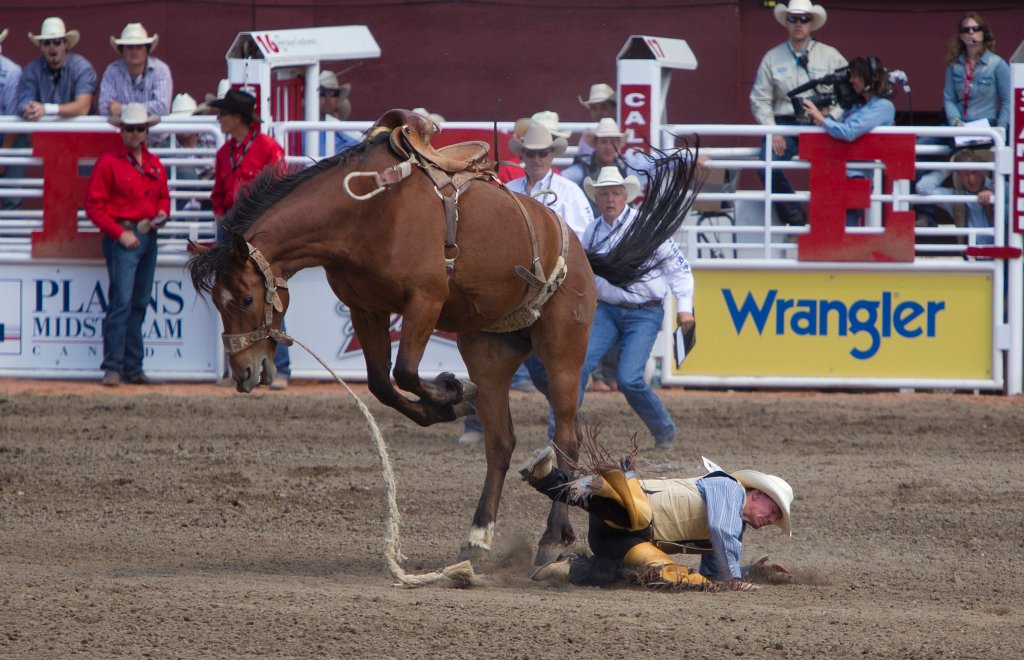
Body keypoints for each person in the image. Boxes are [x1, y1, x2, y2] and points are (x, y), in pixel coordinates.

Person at [519, 443, 794, 591]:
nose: (771, 519)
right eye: (773, 511)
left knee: (665, 575)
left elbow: (714, 573)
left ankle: (572, 568)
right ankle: (548, 477)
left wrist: (752, 571)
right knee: (629, 510)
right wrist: (735, 578)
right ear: (756, 494)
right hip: (629, 515)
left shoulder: (732, 532)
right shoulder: (730, 488)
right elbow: (721, 529)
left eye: (776, 517)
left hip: (622, 543)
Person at [577, 167, 694, 451]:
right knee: (577, 367)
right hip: (607, 310)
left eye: (616, 193)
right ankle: (559, 433)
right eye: (604, 193)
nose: (610, 199)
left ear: (625, 197)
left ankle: (664, 429)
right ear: (597, 198)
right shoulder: (591, 232)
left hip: (644, 311)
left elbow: (679, 269)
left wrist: (685, 308)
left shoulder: (647, 227)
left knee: (629, 379)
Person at [209, 88, 291, 389]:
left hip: (258, 234)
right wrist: (222, 214)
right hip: (232, 230)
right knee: (234, 299)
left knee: (268, 293)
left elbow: (279, 189)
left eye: (223, 114)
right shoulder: (225, 153)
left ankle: (279, 367)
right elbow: (218, 194)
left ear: (237, 118)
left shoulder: (268, 148)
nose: (219, 119)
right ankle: (241, 367)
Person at [84, 103, 170, 387]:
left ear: (145, 131)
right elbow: (94, 206)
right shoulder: (111, 162)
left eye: (139, 129)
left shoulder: (153, 163)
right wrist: (120, 233)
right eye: (130, 129)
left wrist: (162, 214)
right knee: (123, 303)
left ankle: (128, 367)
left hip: (144, 234)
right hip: (126, 236)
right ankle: (116, 367)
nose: (135, 134)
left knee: (137, 303)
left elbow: (163, 198)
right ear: (122, 131)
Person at [749, 0, 847, 226]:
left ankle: (831, 227)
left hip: (822, 125)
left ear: (811, 22)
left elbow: (848, 94)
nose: (798, 24)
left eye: (804, 19)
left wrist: (830, 119)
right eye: (793, 18)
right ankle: (795, 218)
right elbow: (760, 98)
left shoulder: (831, 55)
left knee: (835, 172)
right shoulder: (772, 57)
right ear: (787, 22)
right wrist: (773, 131)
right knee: (767, 168)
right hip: (785, 124)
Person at [802, 56, 895, 226]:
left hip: (856, 177)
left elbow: (849, 131)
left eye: (856, 76)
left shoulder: (883, 107)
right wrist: (825, 118)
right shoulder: (856, 106)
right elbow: (840, 128)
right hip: (834, 173)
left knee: (846, 230)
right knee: (828, 229)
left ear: (868, 77)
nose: (851, 80)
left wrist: (822, 119)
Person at [942, 12, 1010, 140]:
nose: (971, 32)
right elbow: (949, 98)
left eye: (976, 28)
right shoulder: (954, 65)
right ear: (961, 36)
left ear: (984, 33)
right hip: (960, 125)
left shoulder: (997, 64)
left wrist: (1001, 130)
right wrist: (956, 123)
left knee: (967, 156)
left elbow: (1008, 101)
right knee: (922, 143)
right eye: (966, 30)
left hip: (986, 126)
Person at [17, 17, 96, 121]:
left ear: (66, 44)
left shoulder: (82, 68)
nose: (52, 47)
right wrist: (29, 108)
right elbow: (24, 102)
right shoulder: (32, 70)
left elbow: (82, 108)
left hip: (78, 132)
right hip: (44, 131)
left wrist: (46, 109)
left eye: (57, 42)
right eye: (46, 43)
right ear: (40, 46)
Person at [916, 148, 998, 247]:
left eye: (975, 172)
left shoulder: (1001, 189)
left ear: (984, 171)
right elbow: (923, 188)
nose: (971, 179)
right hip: (971, 257)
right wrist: (950, 167)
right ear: (959, 175)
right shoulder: (955, 197)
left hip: (1000, 256)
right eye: (966, 174)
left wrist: (995, 196)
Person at [98, 23, 172, 118]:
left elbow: (162, 107)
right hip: (123, 131)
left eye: (139, 47)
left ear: (147, 49)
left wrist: (122, 109)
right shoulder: (112, 70)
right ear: (122, 50)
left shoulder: (161, 70)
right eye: (129, 47)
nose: (134, 51)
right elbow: (104, 107)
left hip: (154, 131)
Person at [0, 26, 26, 210]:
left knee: (12, 198)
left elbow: (14, 121)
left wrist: (4, 156)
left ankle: (9, 235)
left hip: (7, 137)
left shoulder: (11, 72)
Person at [318, 70, 359, 156]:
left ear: (338, 99)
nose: (328, 97)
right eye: (323, 92)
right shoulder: (300, 131)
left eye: (333, 93)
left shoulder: (351, 137)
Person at [575, 83, 616, 161]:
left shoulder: (623, 132)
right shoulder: (586, 139)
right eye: (594, 108)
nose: (598, 112)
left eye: (604, 107)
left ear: (613, 109)